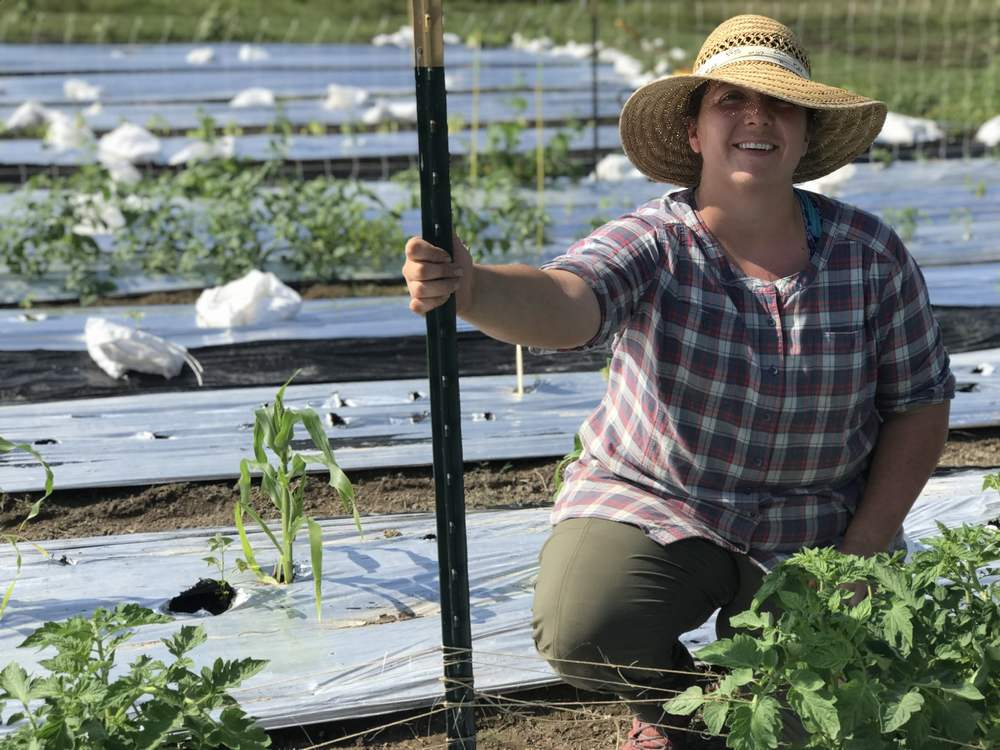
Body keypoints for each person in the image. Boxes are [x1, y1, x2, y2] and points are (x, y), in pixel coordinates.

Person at [402, 14, 954, 750]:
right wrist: (472, 287)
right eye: (730, 100)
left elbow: (919, 407)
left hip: (817, 526)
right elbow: (568, 300)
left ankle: (748, 697)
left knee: (809, 718)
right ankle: (680, 708)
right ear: (694, 131)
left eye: (780, 103)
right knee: (586, 624)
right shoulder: (656, 241)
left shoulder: (870, 254)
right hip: (662, 502)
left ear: (804, 133)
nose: (757, 117)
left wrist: (862, 551)